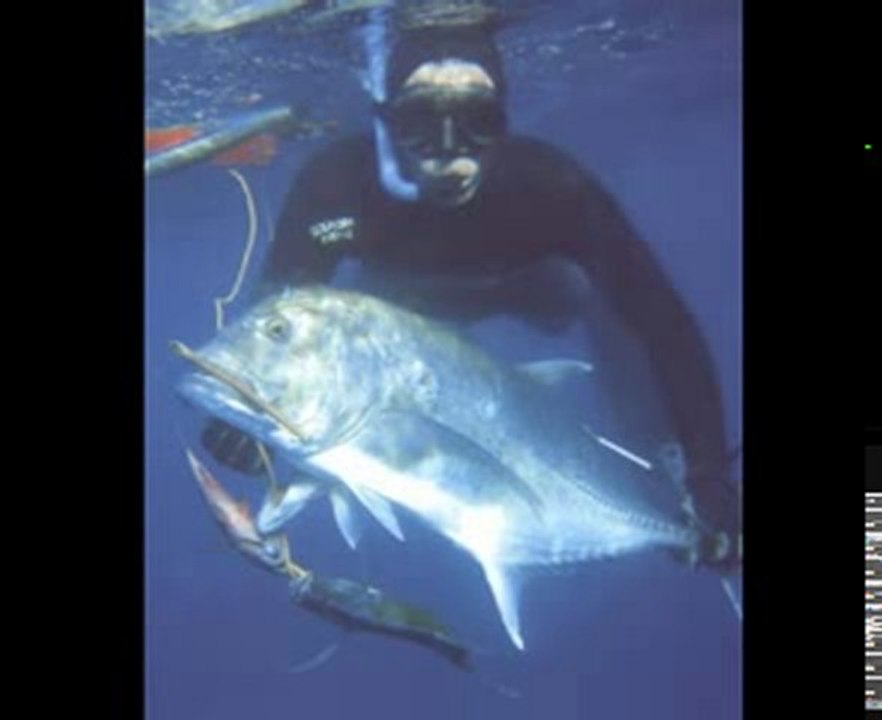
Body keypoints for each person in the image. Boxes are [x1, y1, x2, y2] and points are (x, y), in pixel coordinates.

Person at [202, 18, 739, 569]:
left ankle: (666, 486)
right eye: (419, 122)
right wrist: (252, 412)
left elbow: (662, 323)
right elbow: (283, 304)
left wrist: (707, 469)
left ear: (504, 121)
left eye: (478, 122)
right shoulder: (335, 182)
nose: (449, 150)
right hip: (404, 310)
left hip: (532, 295)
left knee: (609, 313)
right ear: (386, 121)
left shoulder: (554, 187)